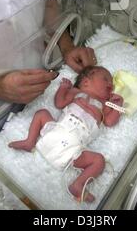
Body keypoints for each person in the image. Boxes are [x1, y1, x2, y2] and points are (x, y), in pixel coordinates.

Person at [9, 66, 123, 202]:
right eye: (106, 79)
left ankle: (78, 184)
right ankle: (30, 141)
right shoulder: (76, 92)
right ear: (86, 81)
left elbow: (110, 122)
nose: (111, 84)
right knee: (41, 113)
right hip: (57, 130)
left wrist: (118, 105)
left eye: (111, 83)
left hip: (74, 148)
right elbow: (59, 103)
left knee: (99, 161)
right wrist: (63, 88)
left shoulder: (105, 105)